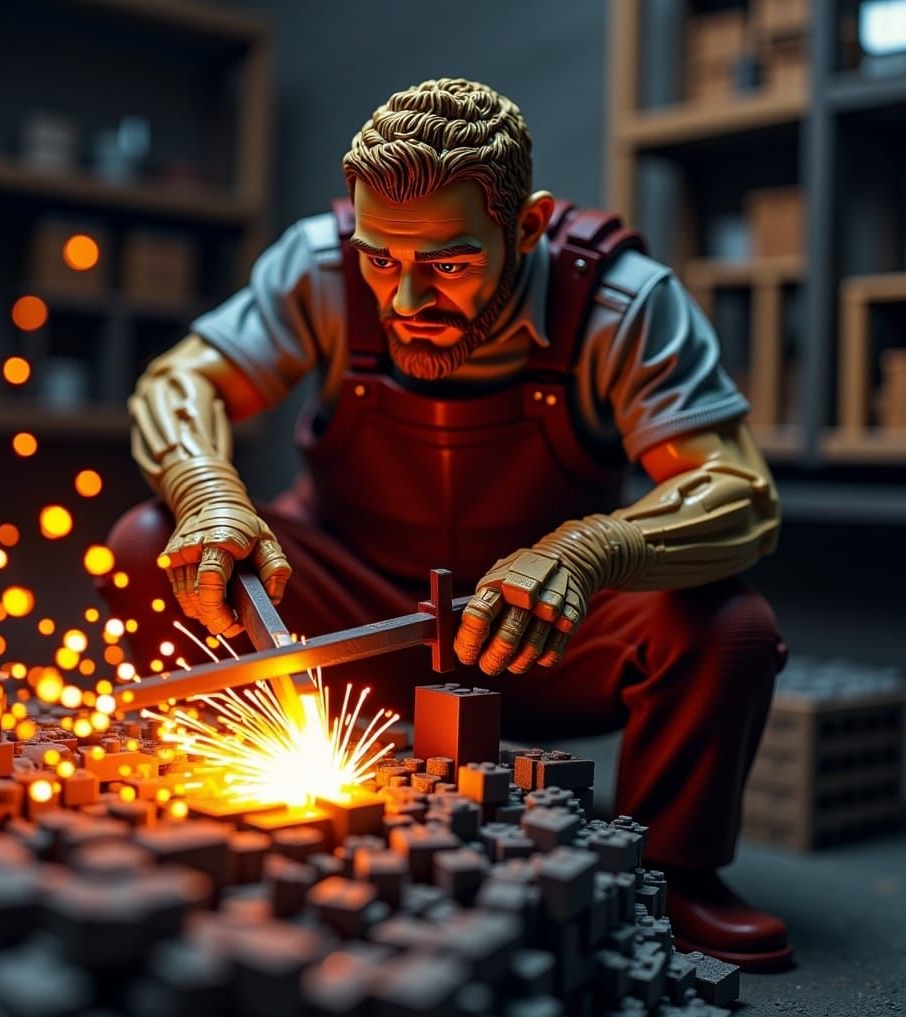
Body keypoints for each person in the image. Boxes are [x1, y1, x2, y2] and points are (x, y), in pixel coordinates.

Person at [109, 79, 792, 970]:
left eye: (450, 266)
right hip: (348, 620)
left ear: (528, 227)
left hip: (532, 634)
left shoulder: (622, 304)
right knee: (148, 539)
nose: (403, 300)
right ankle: (223, 810)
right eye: (381, 261)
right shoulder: (320, 265)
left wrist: (592, 550)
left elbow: (739, 491)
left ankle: (674, 876)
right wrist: (205, 488)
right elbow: (181, 381)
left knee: (728, 626)